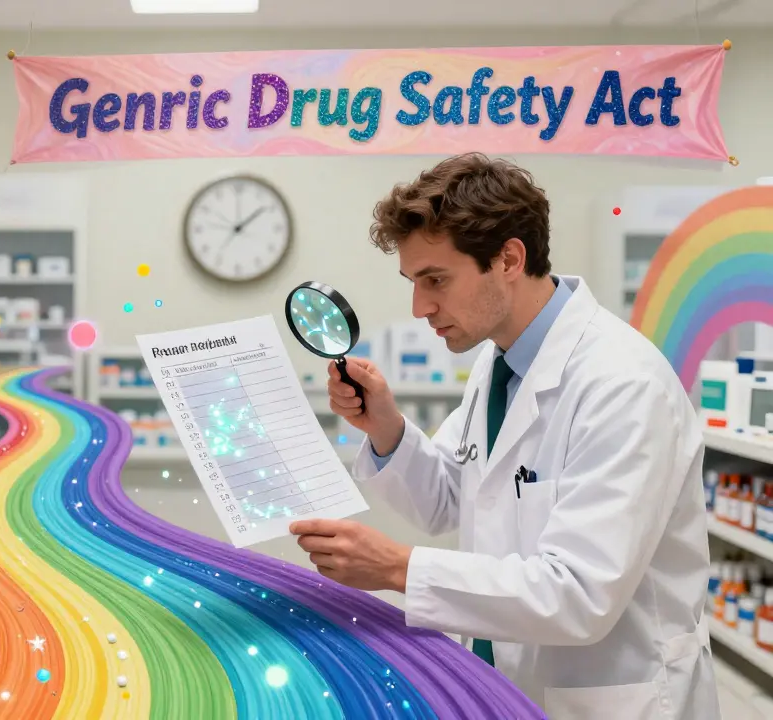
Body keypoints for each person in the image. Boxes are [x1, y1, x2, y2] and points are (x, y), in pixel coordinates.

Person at [289, 153, 717, 719]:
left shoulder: (623, 384)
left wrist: (398, 568)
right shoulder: (502, 366)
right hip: (507, 687)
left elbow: (580, 595)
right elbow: (450, 499)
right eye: (413, 282)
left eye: (435, 280)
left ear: (509, 258)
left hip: (615, 697)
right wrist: (386, 428)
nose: (420, 307)